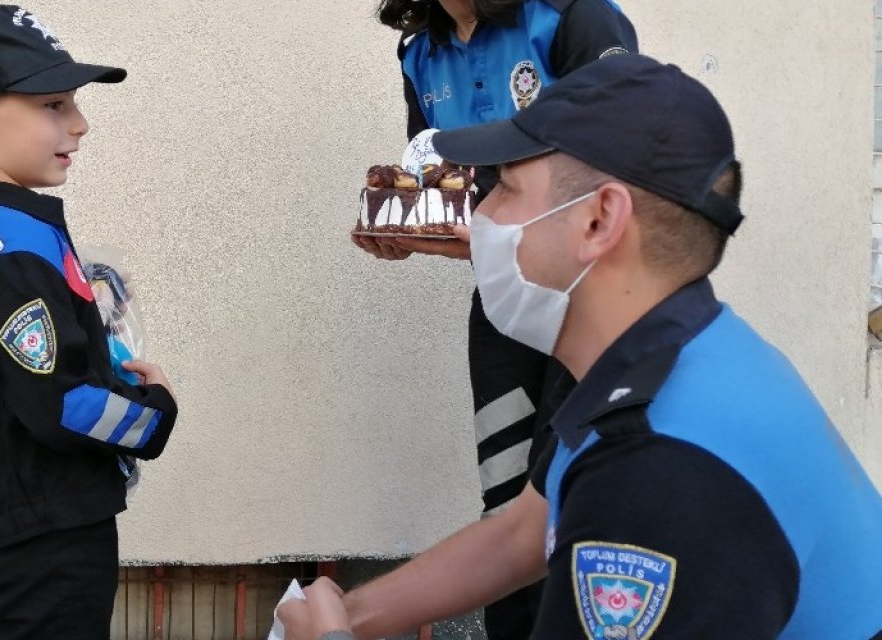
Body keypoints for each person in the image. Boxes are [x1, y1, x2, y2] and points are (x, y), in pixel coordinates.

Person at [283, 53, 882, 640]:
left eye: (506, 187)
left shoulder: (656, 469)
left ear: (598, 221)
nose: (481, 215)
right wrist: (350, 615)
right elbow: (521, 535)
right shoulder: (673, 352)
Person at [0, 6, 179, 637]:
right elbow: (62, 402)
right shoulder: (11, 243)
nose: (80, 124)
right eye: (54, 105)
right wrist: (152, 414)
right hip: (44, 541)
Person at [359, 1, 636, 635]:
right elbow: (441, 183)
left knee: (576, 492)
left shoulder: (576, 17)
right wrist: (412, 233)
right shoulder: (418, 52)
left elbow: (630, 158)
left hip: (593, 304)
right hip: (503, 303)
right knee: (506, 500)